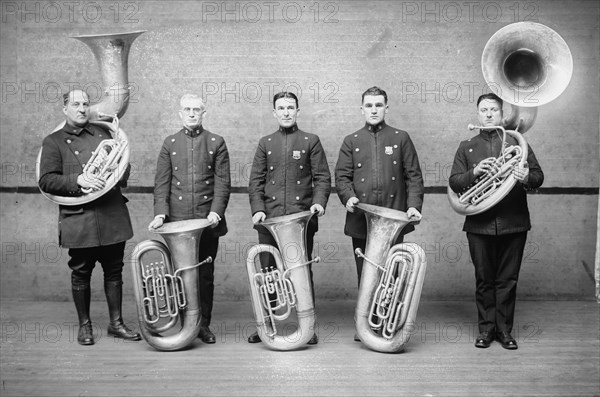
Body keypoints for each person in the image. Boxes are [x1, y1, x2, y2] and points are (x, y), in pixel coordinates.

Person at [38, 89, 141, 346]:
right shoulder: (53, 141)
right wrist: (79, 180)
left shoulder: (105, 134)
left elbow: (121, 172)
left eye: (85, 104)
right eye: (76, 104)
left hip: (111, 214)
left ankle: (116, 323)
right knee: (81, 273)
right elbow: (47, 180)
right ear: (65, 109)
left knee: (114, 271)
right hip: (80, 217)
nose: (82, 109)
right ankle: (85, 326)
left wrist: (120, 168)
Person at [449, 93, 544, 350]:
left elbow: (538, 176)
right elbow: (455, 182)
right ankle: (486, 330)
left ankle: (505, 331)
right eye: (483, 110)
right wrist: (475, 172)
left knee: (508, 280)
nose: (489, 114)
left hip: (514, 222)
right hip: (479, 224)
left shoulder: (516, 142)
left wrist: (525, 176)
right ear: (477, 114)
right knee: (484, 279)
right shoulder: (466, 146)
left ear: (502, 114)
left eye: (493, 109)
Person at [335, 86, 424, 341]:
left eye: (378, 105)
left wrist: (414, 206)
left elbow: (414, 176)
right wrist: (348, 196)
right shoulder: (351, 140)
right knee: (365, 273)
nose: (374, 110)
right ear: (361, 109)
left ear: (387, 107)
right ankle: (364, 323)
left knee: (392, 275)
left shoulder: (401, 137)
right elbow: (341, 176)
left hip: (393, 218)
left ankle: (388, 322)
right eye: (369, 105)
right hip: (361, 219)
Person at [247, 91, 331, 345]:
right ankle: (269, 324)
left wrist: (317, 204)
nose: (286, 112)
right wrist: (258, 209)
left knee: (301, 272)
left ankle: (309, 326)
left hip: (300, 221)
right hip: (269, 220)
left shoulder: (310, 141)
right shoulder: (266, 142)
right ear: (274, 112)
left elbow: (323, 178)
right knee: (268, 273)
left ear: (298, 111)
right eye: (281, 108)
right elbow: (256, 182)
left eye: (290, 107)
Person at [148, 94, 231, 345]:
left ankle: (203, 324)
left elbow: (223, 182)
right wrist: (160, 213)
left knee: (204, 275)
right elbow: (162, 183)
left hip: (208, 221)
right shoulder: (170, 142)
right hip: (178, 222)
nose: (192, 113)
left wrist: (216, 211)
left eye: (197, 109)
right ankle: (184, 322)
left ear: (204, 113)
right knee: (180, 273)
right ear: (180, 114)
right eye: (187, 109)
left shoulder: (216, 142)